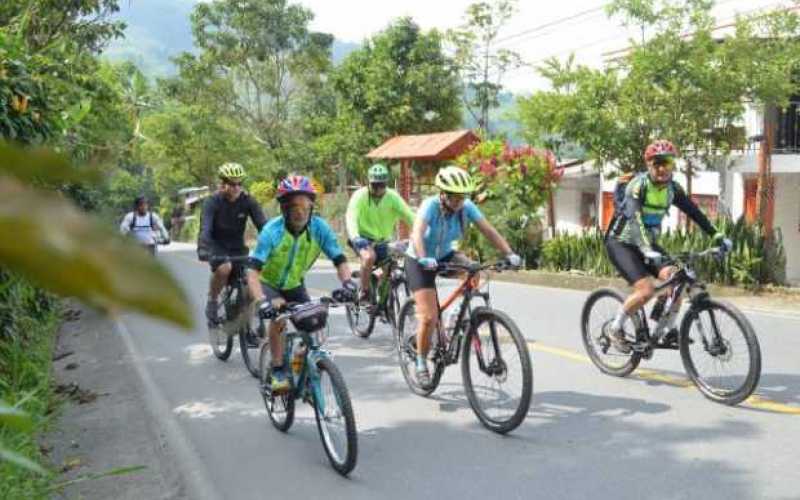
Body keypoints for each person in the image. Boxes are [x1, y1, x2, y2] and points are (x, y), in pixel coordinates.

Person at [604, 140, 733, 353]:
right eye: (657, 164)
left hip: (648, 244)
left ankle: (666, 327)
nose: (663, 169)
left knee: (676, 278)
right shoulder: (638, 186)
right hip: (622, 243)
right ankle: (615, 328)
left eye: (668, 163)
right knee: (645, 291)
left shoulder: (673, 189)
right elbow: (635, 220)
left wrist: (717, 235)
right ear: (649, 165)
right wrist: (645, 249)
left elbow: (695, 213)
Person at [405, 166, 521, 386]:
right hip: (420, 260)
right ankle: (420, 361)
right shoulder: (429, 206)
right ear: (442, 194)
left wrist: (509, 253)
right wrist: (423, 258)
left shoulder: (467, 207)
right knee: (429, 317)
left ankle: (454, 317)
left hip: (446, 255)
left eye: (462, 197)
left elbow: (488, 230)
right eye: (454, 197)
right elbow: (418, 233)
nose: (459, 201)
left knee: (474, 270)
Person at [246, 174, 356, 393]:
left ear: (312, 206)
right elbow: (252, 272)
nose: (300, 211)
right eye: (293, 206)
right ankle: (277, 369)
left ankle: (300, 363)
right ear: (284, 208)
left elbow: (340, 260)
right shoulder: (272, 231)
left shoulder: (320, 228)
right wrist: (261, 302)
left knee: (313, 322)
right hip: (268, 283)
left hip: (294, 284)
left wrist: (348, 285)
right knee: (278, 319)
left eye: (305, 205)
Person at [198, 162, 267, 325]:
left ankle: (245, 322)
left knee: (252, 281)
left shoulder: (248, 201)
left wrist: (275, 246)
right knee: (224, 268)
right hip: (216, 246)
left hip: (238, 247)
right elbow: (205, 228)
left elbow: (264, 226)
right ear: (222, 184)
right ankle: (213, 301)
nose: (236, 187)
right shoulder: (212, 202)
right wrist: (203, 248)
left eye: (239, 184)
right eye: (232, 184)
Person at [345, 163, 415, 302]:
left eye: (382, 185)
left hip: (383, 240)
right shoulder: (360, 196)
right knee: (369, 257)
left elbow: (410, 216)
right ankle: (364, 291)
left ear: (386, 184)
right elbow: (351, 217)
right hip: (363, 239)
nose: (378, 189)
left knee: (391, 267)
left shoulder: (392, 197)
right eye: (375, 185)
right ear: (368, 183)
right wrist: (355, 237)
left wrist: (421, 234)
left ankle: (383, 299)